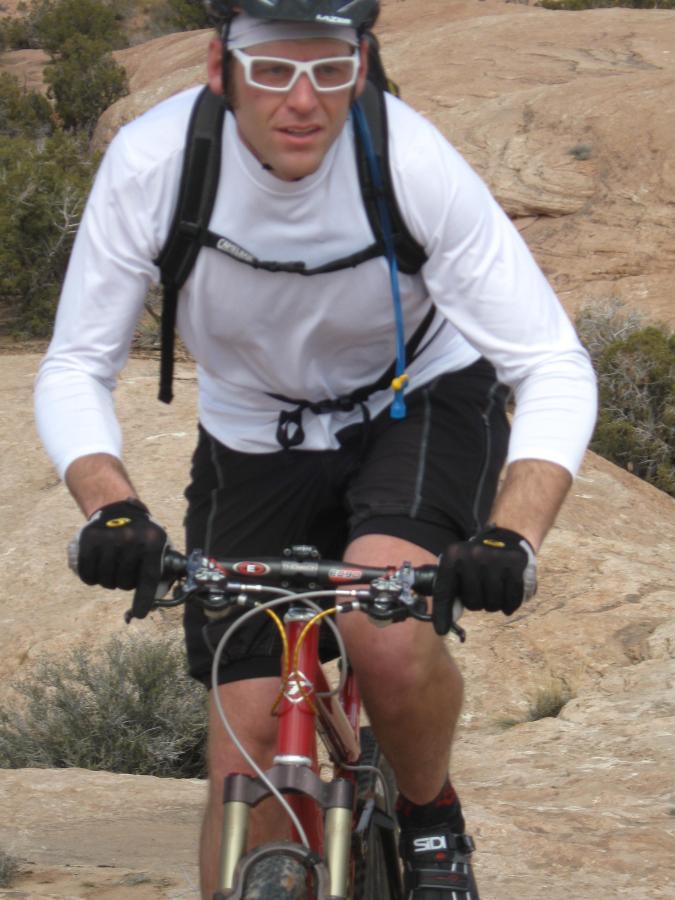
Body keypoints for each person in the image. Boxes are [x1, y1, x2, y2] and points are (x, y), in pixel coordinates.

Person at [34, 1, 597, 897]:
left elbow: (551, 363)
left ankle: (428, 818)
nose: (302, 100)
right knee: (247, 770)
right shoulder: (155, 164)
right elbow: (76, 363)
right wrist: (112, 507)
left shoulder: (408, 161)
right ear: (220, 69)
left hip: (414, 399)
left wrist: (510, 538)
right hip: (254, 430)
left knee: (383, 625)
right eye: (272, 69)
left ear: (361, 67)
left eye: (329, 69)